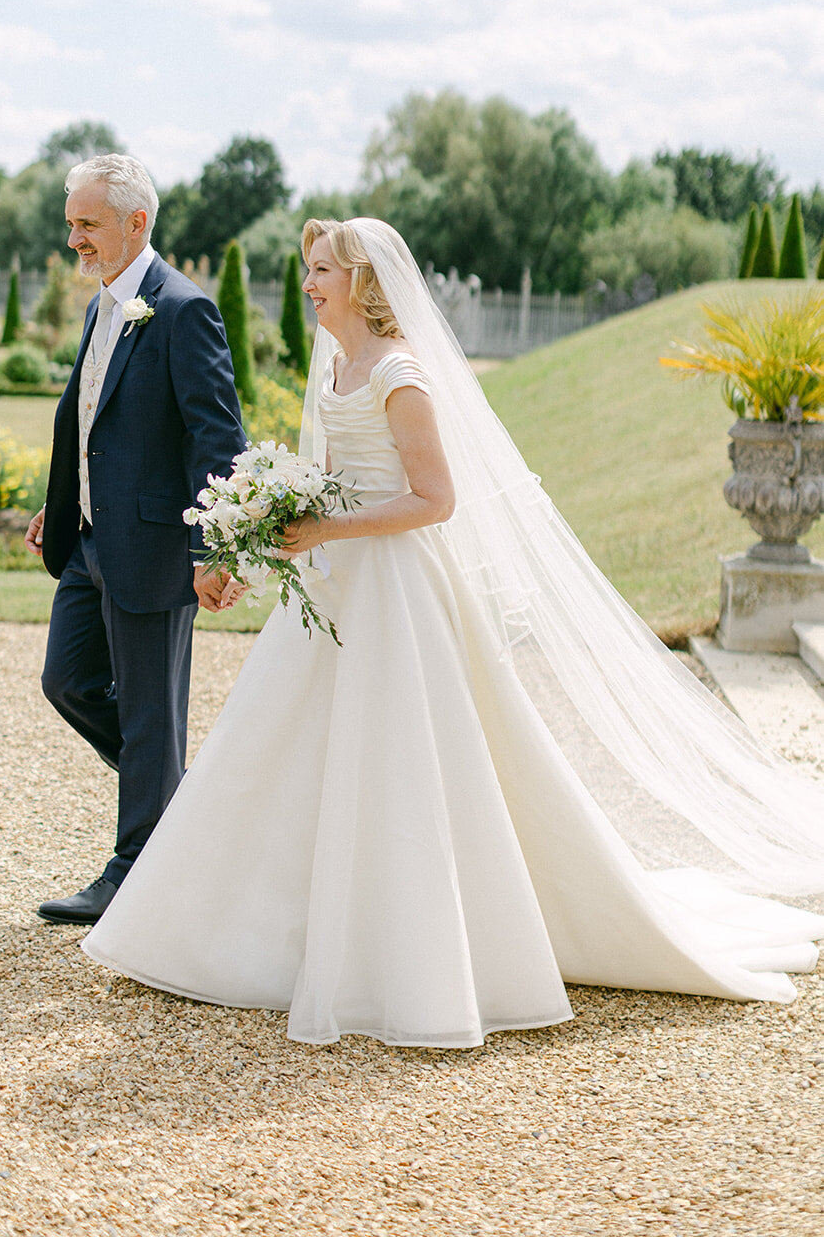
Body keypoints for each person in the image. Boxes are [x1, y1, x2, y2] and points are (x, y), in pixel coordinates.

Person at [80, 216, 824, 1047]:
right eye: (308, 269)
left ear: (364, 281)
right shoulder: (333, 367)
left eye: (322, 270)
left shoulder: (400, 373)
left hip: (397, 591)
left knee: (401, 764)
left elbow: (434, 500)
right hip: (334, 591)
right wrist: (252, 545)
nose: (309, 283)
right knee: (279, 752)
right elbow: (318, 489)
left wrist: (326, 530)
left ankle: (411, 953)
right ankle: (243, 937)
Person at [25, 154, 244, 925]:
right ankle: (181, 802)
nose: (75, 239)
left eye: (86, 224)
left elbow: (217, 440)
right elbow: (90, 423)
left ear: (135, 222)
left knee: (150, 713)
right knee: (68, 681)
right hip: (87, 543)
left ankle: (135, 871)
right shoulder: (101, 307)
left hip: (154, 550)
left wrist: (212, 550)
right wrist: (63, 504)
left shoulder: (183, 310)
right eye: (72, 223)